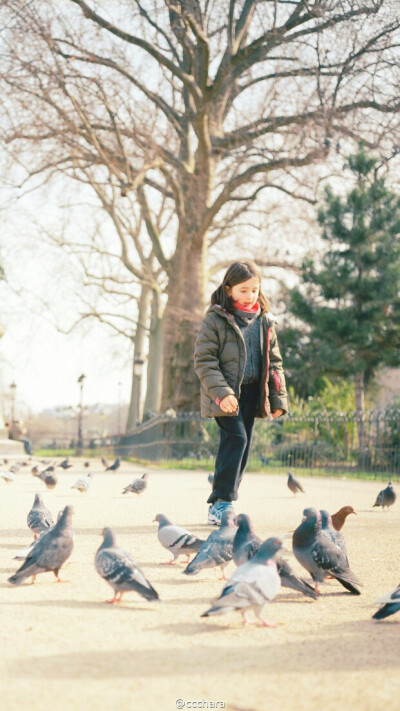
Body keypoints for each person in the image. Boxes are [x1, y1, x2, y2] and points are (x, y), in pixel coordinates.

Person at [194, 259, 288, 525]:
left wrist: (277, 398)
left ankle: (225, 500)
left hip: (251, 394)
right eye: (243, 290)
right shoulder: (215, 319)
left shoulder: (265, 321)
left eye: (254, 290)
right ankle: (221, 503)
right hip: (224, 395)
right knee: (237, 440)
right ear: (228, 289)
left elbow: (275, 363)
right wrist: (223, 393)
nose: (249, 296)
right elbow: (204, 360)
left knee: (243, 447)